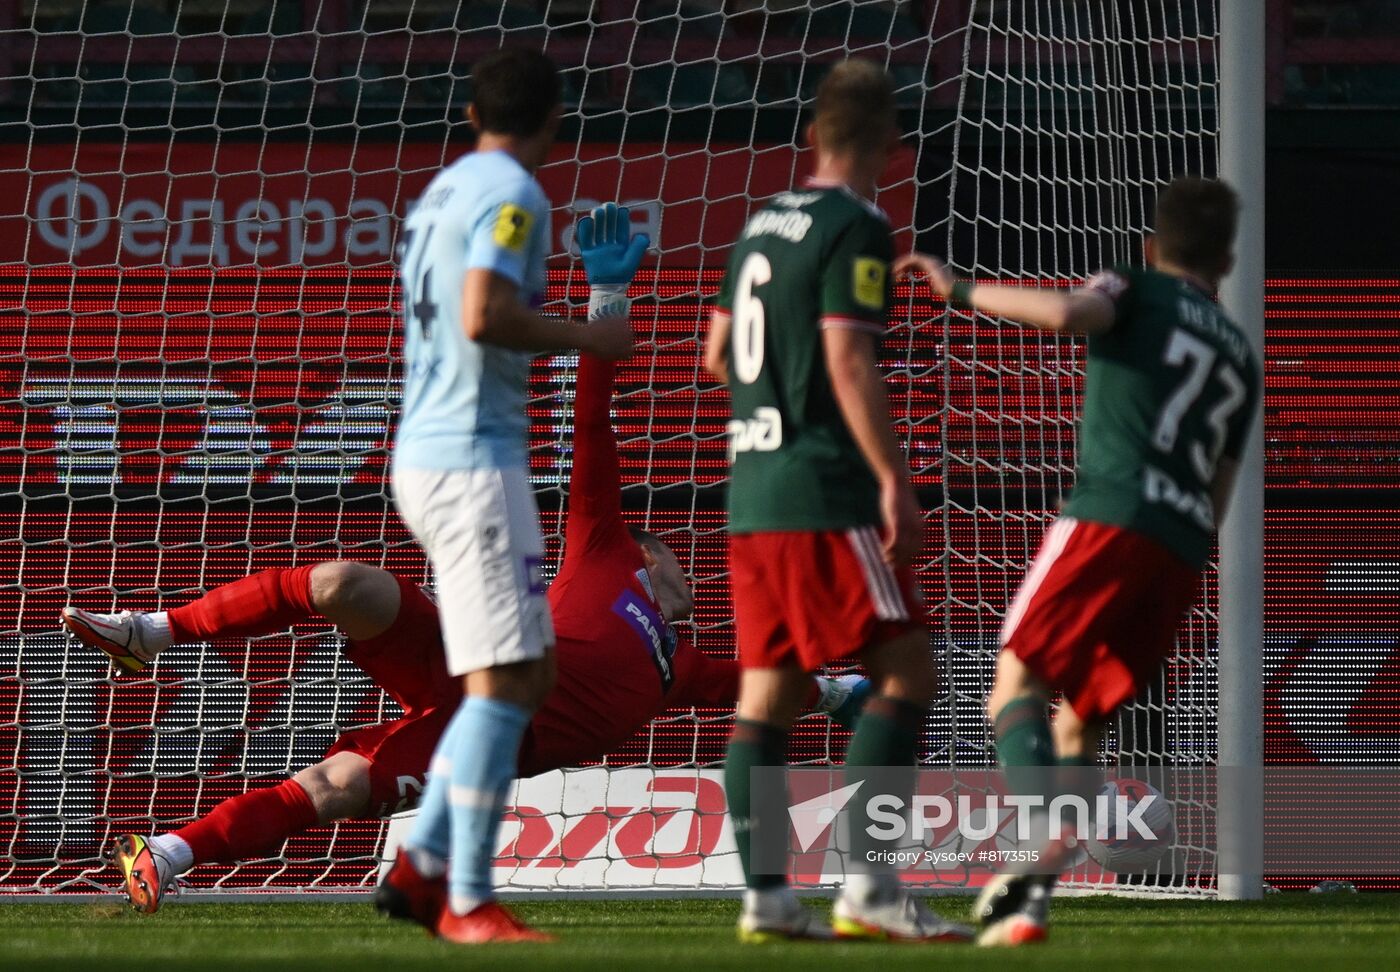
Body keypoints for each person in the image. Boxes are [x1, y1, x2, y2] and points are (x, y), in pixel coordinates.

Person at [66, 220, 867, 930]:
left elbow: (765, 685)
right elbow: (593, 428)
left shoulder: (682, 666)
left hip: (472, 738)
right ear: (652, 555)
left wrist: (836, 694)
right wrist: (609, 294)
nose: (695, 576)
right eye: (681, 557)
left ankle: (167, 855)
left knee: (336, 785)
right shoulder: (606, 549)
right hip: (475, 658)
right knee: (350, 583)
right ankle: (151, 633)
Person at [896, 176, 1259, 946]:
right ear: (1227, 256)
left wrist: (956, 288)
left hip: (1111, 512)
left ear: (1153, 246)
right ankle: (1029, 907)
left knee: (1013, 685)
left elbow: (1068, 313)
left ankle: (1041, 835)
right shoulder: (1239, 354)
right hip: (1182, 546)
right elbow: (1220, 487)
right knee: (1080, 726)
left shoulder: (1136, 287)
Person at [705, 59, 969, 944]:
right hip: (820, 487)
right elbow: (851, 360)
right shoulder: (858, 225)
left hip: (750, 490)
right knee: (908, 671)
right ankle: (869, 887)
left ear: (811, 133)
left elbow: (715, 358)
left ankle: (768, 898)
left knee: (770, 692)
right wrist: (895, 480)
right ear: (894, 144)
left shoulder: (759, 226)